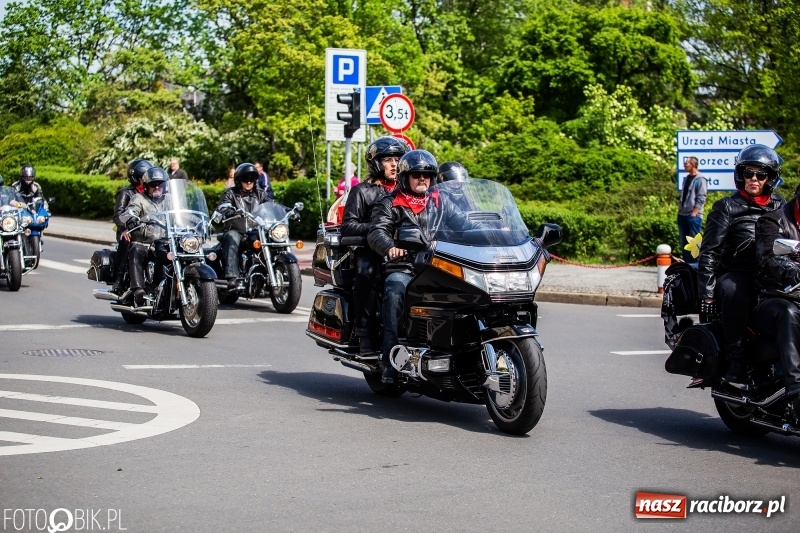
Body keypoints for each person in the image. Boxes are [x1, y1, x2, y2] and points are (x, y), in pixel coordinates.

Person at [368, 149, 475, 383]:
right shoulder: (390, 202)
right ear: (406, 177)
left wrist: (489, 233)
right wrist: (389, 247)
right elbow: (377, 231)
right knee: (394, 291)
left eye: (427, 175)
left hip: (439, 265)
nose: (422, 179)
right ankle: (390, 359)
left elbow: (465, 223)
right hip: (405, 266)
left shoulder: (440, 201)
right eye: (417, 174)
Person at [697, 145, 785, 385]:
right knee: (736, 290)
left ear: (771, 178)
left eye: (760, 174)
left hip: (774, 273)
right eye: (748, 173)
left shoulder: (780, 205)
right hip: (739, 273)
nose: (754, 179)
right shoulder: (727, 207)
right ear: (740, 175)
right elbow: (710, 252)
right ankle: (736, 357)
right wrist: (706, 295)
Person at [341, 136, 408, 355]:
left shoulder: (409, 190)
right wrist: (377, 228)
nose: (394, 164)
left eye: (398, 159)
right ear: (376, 163)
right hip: (371, 249)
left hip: (407, 249)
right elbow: (348, 226)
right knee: (366, 272)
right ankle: (365, 333)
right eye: (388, 159)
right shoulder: (362, 190)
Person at [755, 174, 800, 421]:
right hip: (774, 297)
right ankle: (797, 392)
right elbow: (770, 256)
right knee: (789, 314)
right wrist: (793, 270)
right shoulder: (772, 221)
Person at [215, 163, 272, 290]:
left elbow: (271, 205)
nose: (249, 182)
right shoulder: (230, 193)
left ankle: (274, 271)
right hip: (236, 229)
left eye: (252, 179)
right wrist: (229, 210)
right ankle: (232, 277)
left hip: (255, 230)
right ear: (239, 180)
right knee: (232, 237)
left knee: (272, 238)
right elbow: (223, 207)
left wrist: (287, 211)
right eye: (246, 179)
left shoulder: (260, 194)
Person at [120, 167, 170, 307]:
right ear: (147, 186)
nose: (157, 188)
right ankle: (138, 290)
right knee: (136, 250)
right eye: (154, 185)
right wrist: (132, 218)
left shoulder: (169, 200)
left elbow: (181, 214)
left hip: (163, 242)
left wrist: (197, 221)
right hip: (144, 241)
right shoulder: (139, 198)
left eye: (160, 184)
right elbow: (130, 211)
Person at [111, 159, 153, 295]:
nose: (145, 180)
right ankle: (118, 278)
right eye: (143, 177)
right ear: (135, 178)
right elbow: (118, 214)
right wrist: (123, 228)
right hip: (130, 230)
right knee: (126, 240)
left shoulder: (152, 193)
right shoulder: (126, 193)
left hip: (148, 230)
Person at [677, 156, 708, 263]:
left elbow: (701, 197)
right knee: (684, 242)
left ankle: (697, 264)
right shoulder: (686, 179)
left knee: (694, 242)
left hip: (693, 216)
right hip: (682, 214)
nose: (684, 165)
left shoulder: (700, 179)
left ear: (693, 165)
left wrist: (695, 212)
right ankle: (687, 264)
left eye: (687, 163)